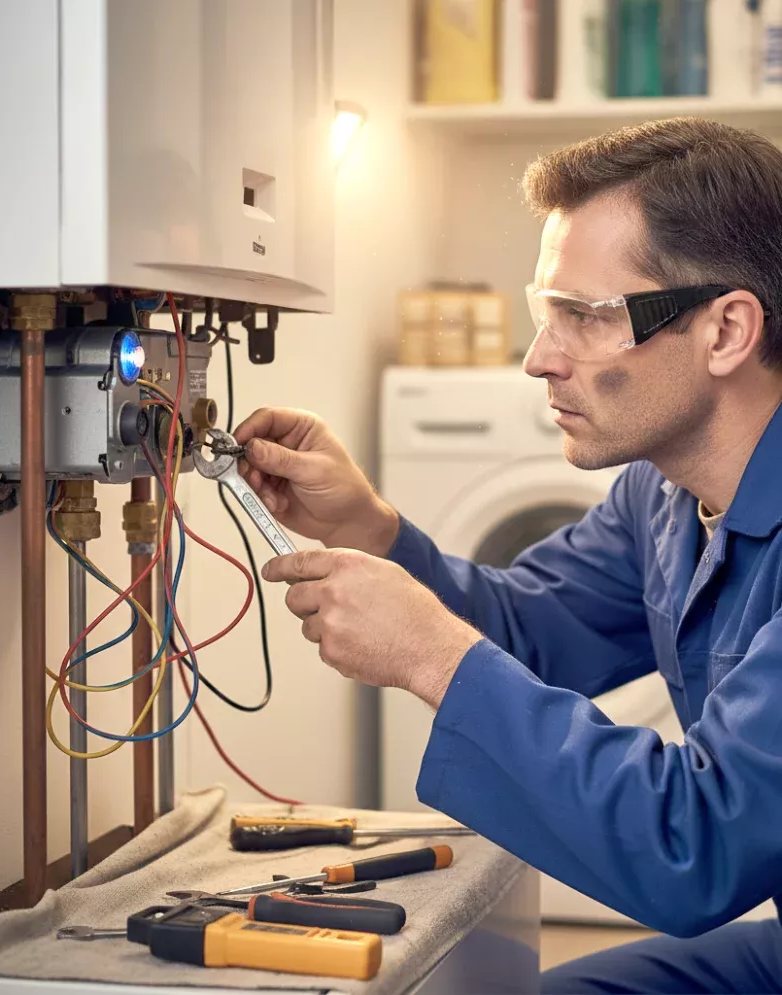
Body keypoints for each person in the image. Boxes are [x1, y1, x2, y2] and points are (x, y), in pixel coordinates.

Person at [233, 117, 782, 994]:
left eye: (584, 318)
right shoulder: (663, 495)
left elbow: (696, 843)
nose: (538, 359)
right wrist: (370, 526)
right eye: (543, 312)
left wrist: (426, 651)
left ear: (725, 332)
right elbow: (528, 628)